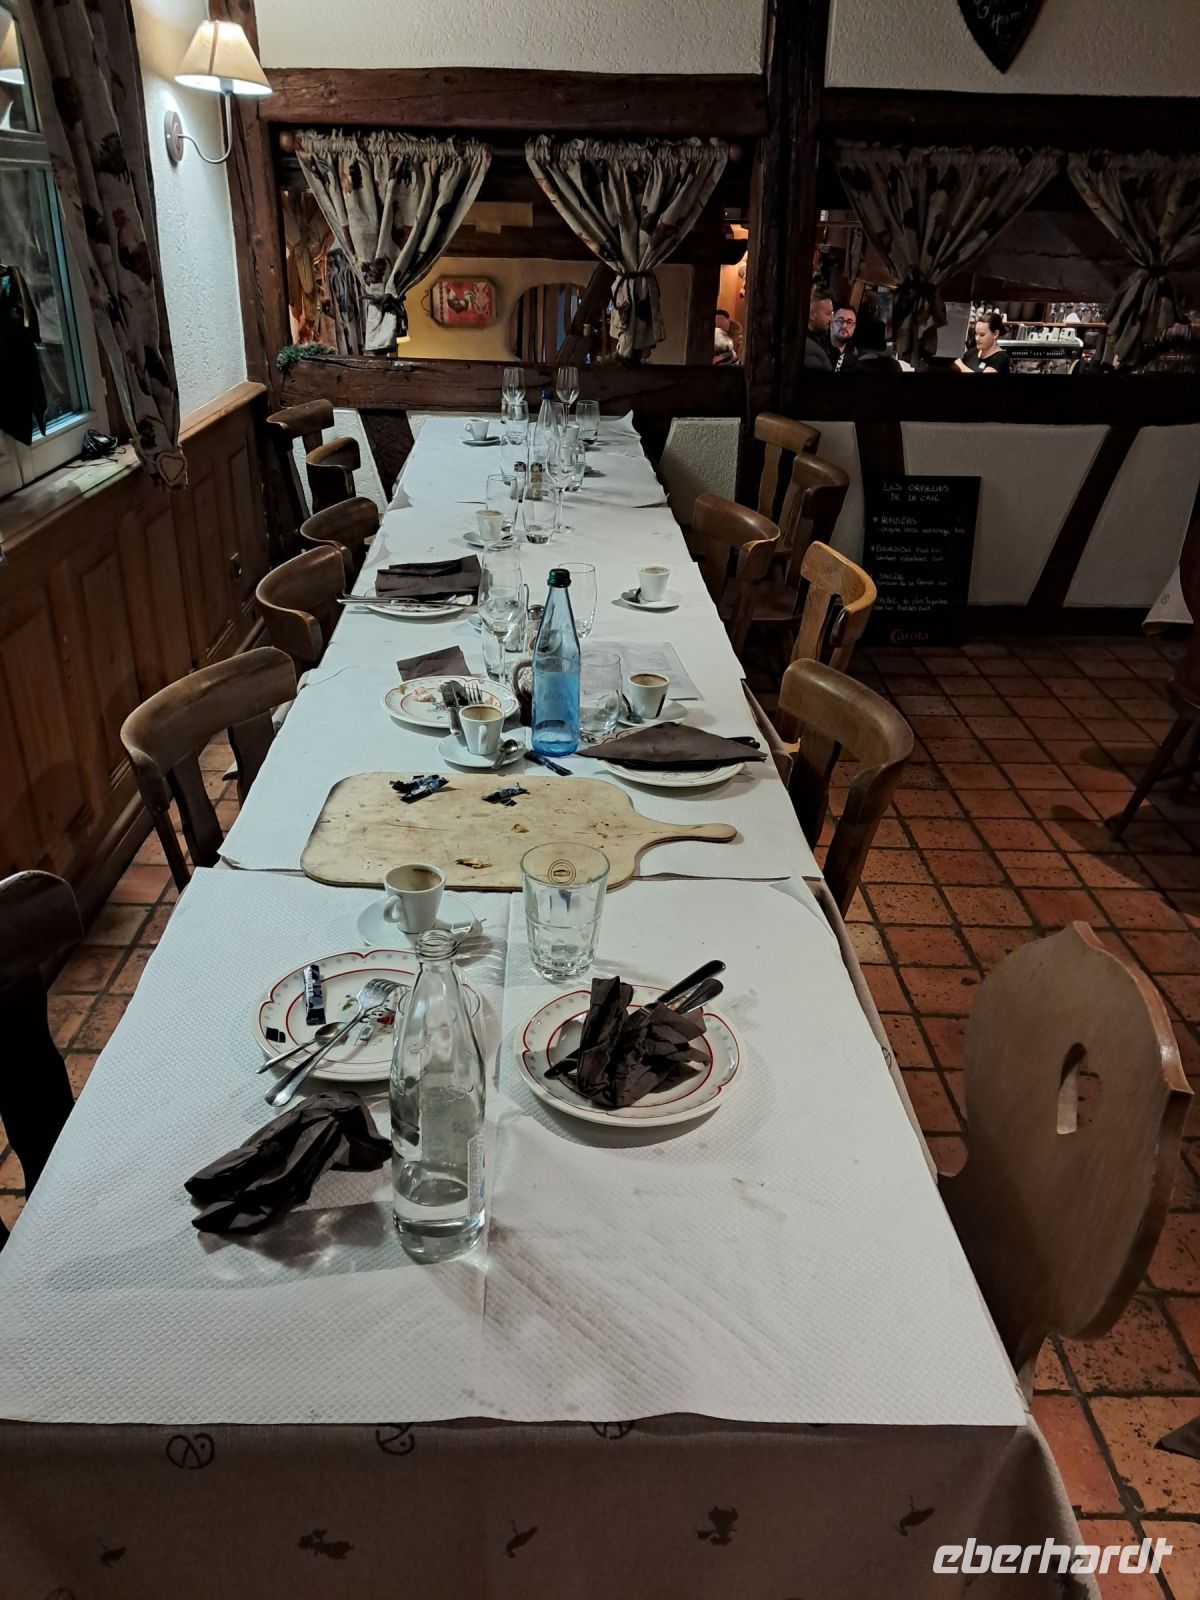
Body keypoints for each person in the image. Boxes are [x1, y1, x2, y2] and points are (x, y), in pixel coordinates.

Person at [804, 290, 834, 372]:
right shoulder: (810, 351)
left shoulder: (825, 337)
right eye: (828, 314)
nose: (832, 319)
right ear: (812, 314)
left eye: (832, 313)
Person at [830, 304, 859, 373]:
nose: (844, 326)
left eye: (849, 322)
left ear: (854, 327)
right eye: (840, 321)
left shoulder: (857, 357)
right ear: (831, 323)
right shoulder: (816, 349)